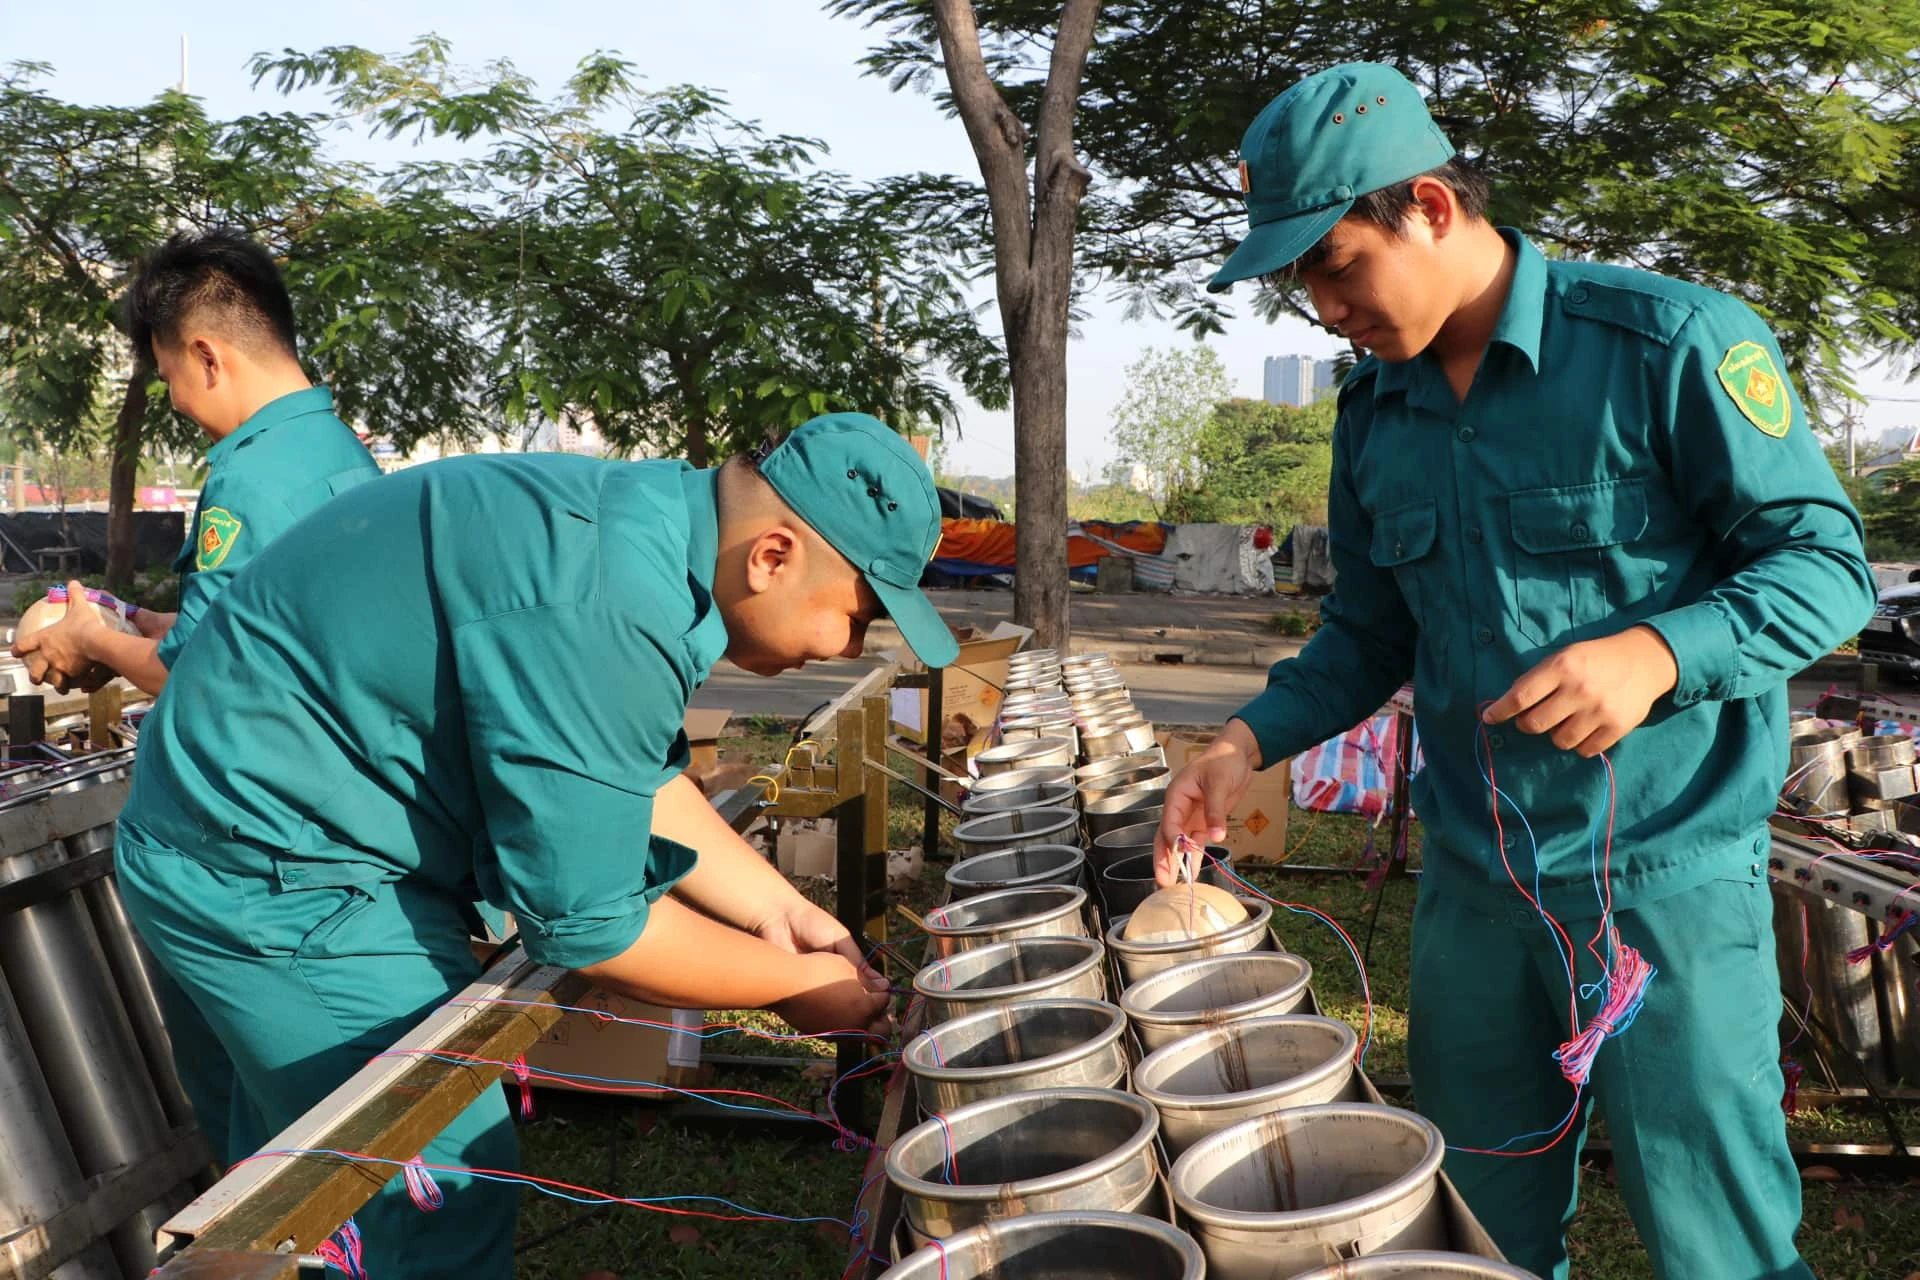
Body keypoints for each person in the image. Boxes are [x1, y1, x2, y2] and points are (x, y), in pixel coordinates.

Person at [1158, 62, 1873, 1280]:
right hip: (1477, 892)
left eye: (1337, 264)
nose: (1326, 309)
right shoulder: (1374, 411)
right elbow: (1368, 631)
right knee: (1468, 1230)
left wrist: (1657, 653)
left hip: (1666, 884)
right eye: (1303, 283)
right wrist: (1244, 739)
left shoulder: (1669, 347)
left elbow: (1827, 566)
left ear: (1430, 206)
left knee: (1718, 1237)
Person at [115, 411, 957, 1277]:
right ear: (771, 557)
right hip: (266, 863)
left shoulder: (648, 527)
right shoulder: (612, 599)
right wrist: (792, 984)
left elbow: (633, 778)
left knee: (293, 1205)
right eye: (854, 619)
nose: (849, 648)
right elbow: (593, 927)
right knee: (431, 1176)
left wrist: (780, 908)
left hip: (253, 821)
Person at [12, 227, 378, 695]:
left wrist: (93, 640)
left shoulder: (251, 478)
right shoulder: (339, 446)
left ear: (206, 358)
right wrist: (146, 623)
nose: (176, 402)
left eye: (168, 378)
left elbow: (189, 670)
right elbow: (285, 623)